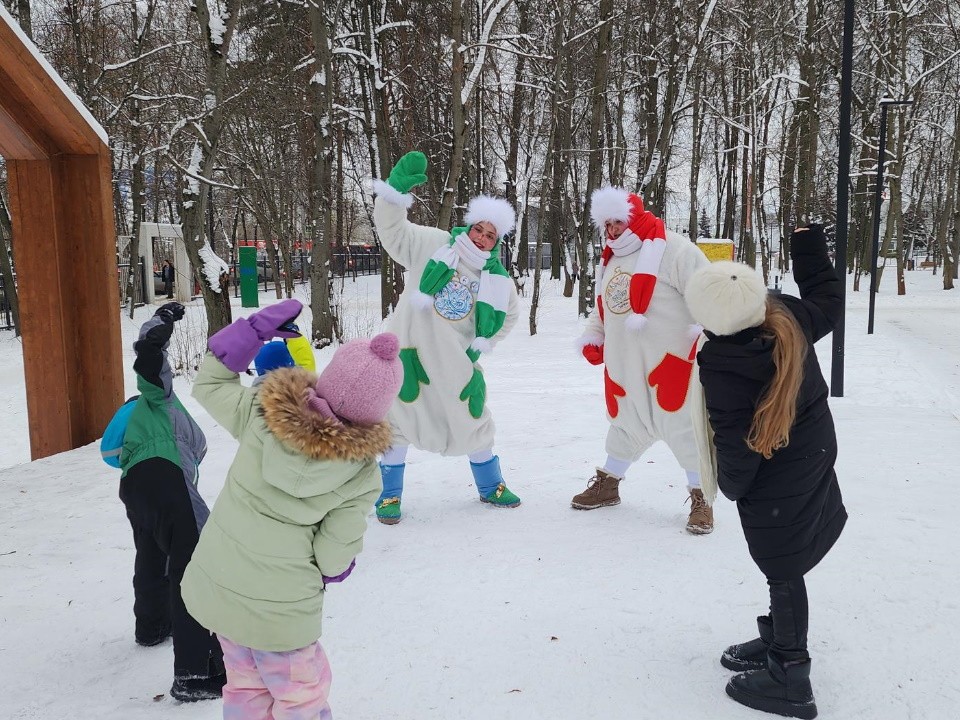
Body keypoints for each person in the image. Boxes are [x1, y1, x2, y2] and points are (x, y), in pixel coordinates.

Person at [181, 298, 402, 720]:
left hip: (222, 589)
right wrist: (338, 568)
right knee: (300, 698)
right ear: (377, 410)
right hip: (282, 613)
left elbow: (209, 385)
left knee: (245, 688)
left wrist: (249, 333)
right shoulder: (359, 474)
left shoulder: (264, 413)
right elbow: (333, 555)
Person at [684, 224, 845, 719]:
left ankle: (790, 674)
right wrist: (807, 245)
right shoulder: (785, 314)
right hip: (811, 453)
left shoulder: (725, 362)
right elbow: (829, 301)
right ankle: (778, 637)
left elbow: (736, 445)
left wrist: (729, 489)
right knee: (787, 556)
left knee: (781, 562)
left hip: (774, 473)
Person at [370, 151, 521, 524]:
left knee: (472, 420)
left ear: (496, 240)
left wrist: (479, 347)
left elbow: (510, 316)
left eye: (491, 235)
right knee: (398, 421)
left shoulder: (496, 280)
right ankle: (388, 496)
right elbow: (394, 233)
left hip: (455, 364)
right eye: (479, 229)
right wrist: (395, 193)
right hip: (411, 356)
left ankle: (491, 486)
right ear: (469, 226)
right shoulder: (434, 245)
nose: (483, 238)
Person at [573, 186, 716, 534]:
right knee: (624, 422)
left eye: (618, 221)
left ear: (634, 216)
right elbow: (604, 308)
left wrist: (711, 340)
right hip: (626, 365)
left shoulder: (675, 248)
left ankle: (702, 498)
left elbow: (708, 294)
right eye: (606, 223)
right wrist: (594, 336)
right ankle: (608, 484)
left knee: (685, 427)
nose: (612, 229)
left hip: (671, 362)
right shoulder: (611, 259)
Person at [117, 301, 225, 702]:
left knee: (151, 552)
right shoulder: (155, 401)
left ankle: (152, 626)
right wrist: (162, 320)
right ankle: (196, 674)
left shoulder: (135, 439)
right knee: (193, 564)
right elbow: (148, 355)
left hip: (136, 487)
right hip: (166, 478)